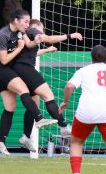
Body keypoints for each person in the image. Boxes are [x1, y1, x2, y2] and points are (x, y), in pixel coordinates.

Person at [0, 9, 58, 156]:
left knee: (10, 107)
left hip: (9, 69)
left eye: (29, 22)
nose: (28, 24)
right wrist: (19, 47)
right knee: (24, 90)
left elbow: (31, 48)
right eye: (25, 22)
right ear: (16, 21)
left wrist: (43, 47)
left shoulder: (22, 33)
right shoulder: (2, 35)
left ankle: (0, 141)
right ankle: (39, 119)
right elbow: (4, 60)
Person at [13, 19, 83, 152]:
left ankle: (26, 136)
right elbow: (50, 38)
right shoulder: (32, 30)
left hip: (19, 70)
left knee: (34, 104)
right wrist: (69, 36)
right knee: (48, 95)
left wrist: (46, 50)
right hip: (26, 69)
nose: (42, 32)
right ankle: (63, 127)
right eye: (42, 29)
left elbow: (33, 53)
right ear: (35, 27)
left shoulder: (24, 36)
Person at [59, 45, 106, 174]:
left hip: (86, 112)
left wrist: (65, 101)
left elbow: (69, 86)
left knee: (76, 142)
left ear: (91, 58)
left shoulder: (83, 70)